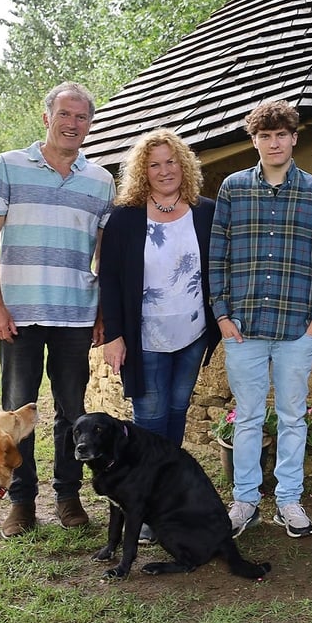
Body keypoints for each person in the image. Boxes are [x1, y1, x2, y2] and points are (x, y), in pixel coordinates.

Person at [0, 81, 115, 537]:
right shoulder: (9, 167)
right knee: (17, 413)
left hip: (75, 314)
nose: (72, 124)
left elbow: (104, 256)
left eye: (82, 117)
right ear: (47, 118)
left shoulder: (100, 181)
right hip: (19, 315)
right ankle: (20, 501)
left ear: (89, 125)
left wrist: (101, 314)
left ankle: (69, 495)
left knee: (73, 413)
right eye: (65, 115)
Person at [210, 99, 312, 539]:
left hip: (296, 327)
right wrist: (222, 314)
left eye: (281, 135)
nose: (273, 142)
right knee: (246, 417)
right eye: (265, 136)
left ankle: (289, 500)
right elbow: (218, 256)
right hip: (242, 327)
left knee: (291, 416)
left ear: (294, 138)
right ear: (255, 140)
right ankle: (245, 500)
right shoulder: (233, 188)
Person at [96, 128, 217, 546]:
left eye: (171, 162)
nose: (164, 171)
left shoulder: (206, 211)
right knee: (149, 420)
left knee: (177, 412)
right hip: (143, 333)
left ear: (183, 165)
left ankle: (164, 497)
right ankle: (141, 507)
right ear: (142, 171)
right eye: (154, 164)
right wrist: (114, 335)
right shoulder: (126, 217)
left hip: (194, 332)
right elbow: (109, 279)